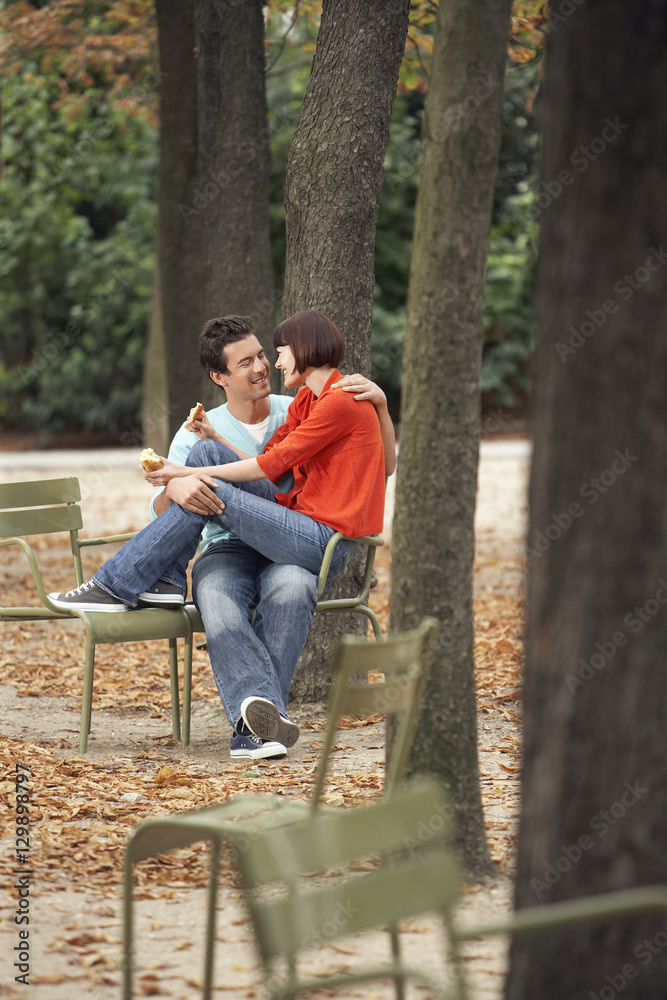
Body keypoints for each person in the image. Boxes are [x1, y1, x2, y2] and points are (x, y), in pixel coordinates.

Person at [50, 312, 395, 760]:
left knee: (288, 583)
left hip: (307, 539)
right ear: (220, 377)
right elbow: (245, 471)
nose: (266, 364)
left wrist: (190, 473)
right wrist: (179, 477)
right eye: (248, 360)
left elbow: (273, 468)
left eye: (271, 353)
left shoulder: (321, 402)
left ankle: (116, 584)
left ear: (304, 350)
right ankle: (262, 724)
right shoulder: (297, 405)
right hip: (238, 544)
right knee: (217, 586)